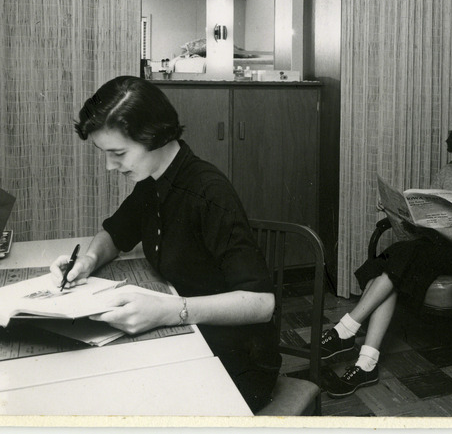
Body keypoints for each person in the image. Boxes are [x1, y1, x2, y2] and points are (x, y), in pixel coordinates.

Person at [50, 76, 280, 412]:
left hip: (235, 360)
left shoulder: (208, 191)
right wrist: (88, 261)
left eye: (118, 154)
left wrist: (172, 311)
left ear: (155, 137)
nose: (109, 166)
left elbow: (262, 304)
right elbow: (115, 234)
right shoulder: (152, 182)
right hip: (187, 336)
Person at [320, 120, 452, 398]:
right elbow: (430, 212)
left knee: (396, 262)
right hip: (435, 245)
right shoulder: (446, 172)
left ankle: (346, 329)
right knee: (393, 269)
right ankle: (366, 363)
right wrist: (399, 210)